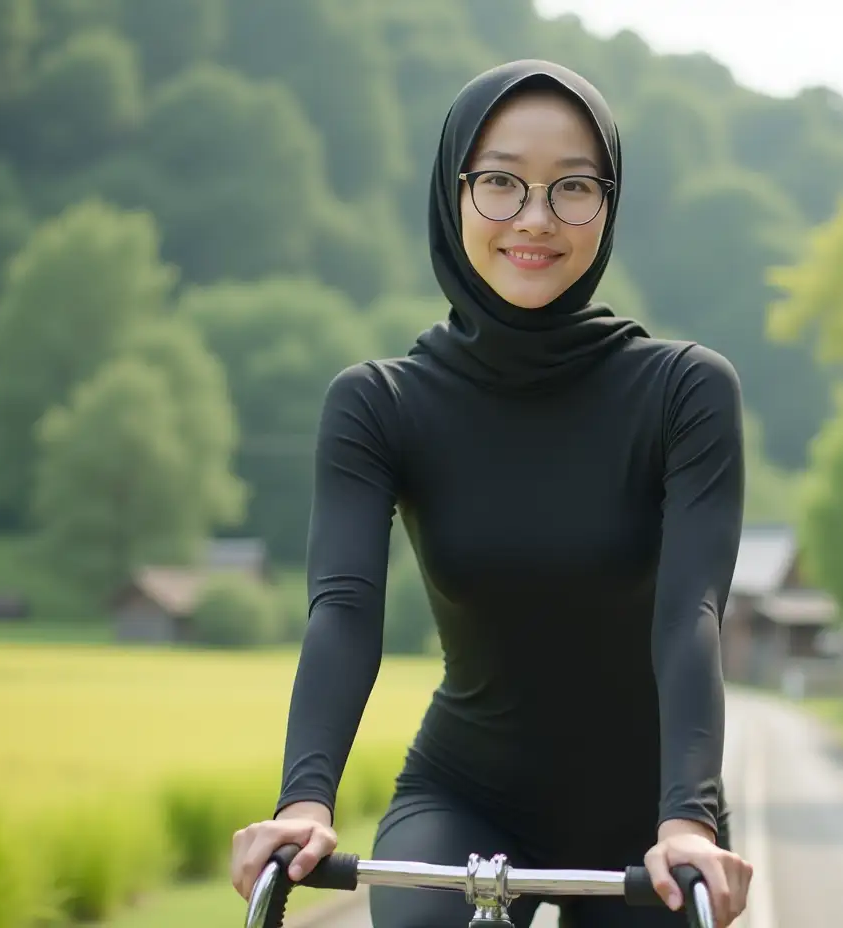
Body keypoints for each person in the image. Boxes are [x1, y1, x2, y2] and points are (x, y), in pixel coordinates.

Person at [230, 58, 753, 928]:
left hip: (648, 813)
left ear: (608, 202)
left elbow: (689, 615)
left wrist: (688, 819)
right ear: (453, 191)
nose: (537, 220)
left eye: (573, 187)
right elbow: (344, 608)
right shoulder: (379, 404)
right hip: (464, 795)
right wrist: (303, 803)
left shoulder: (683, 392)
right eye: (502, 183)